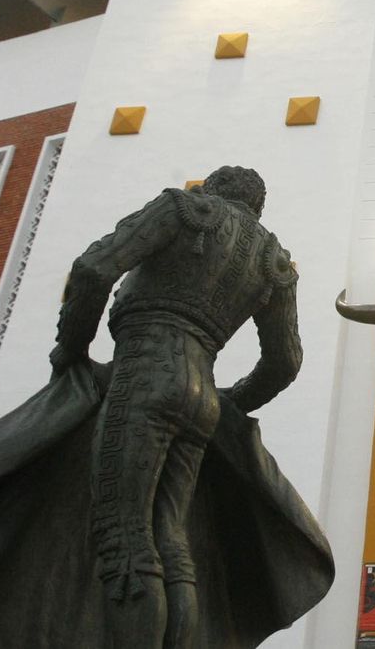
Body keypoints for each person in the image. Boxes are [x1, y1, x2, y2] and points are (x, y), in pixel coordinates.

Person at [51, 164, 301, 649]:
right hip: (201, 397)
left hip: (143, 372)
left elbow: (93, 268)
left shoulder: (182, 209)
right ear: (257, 207)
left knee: (124, 538)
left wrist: (72, 348)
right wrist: (227, 401)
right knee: (172, 541)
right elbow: (284, 363)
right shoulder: (273, 260)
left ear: (211, 190)